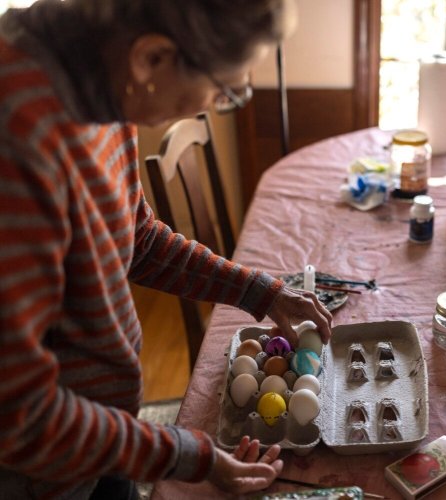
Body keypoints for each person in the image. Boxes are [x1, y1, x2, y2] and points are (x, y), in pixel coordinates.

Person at [0, 0, 332, 498]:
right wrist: (184, 454)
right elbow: (21, 416)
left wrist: (261, 293)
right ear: (152, 58)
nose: (209, 105)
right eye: (224, 89)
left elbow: (139, 239)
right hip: (42, 468)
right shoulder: (19, 139)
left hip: (104, 438)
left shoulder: (101, 80)